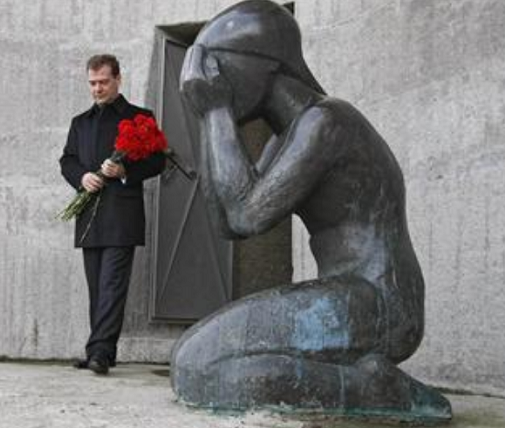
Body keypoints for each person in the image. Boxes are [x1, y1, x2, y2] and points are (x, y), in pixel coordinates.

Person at [172, 0, 451, 421]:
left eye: (216, 68)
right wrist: (212, 117)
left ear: (262, 65)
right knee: (199, 368)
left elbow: (248, 214)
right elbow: (229, 222)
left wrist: (215, 111)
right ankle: (366, 382)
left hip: (384, 304)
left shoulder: (327, 122)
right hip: (350, 297)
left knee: (195, 361)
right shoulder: (281, 141)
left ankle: (373, 389)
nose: (206, 81)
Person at [60, 54, 165, 375]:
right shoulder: (81, 122)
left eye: (103, 82)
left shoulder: (140, 118)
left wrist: (123, 170)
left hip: (122, 215)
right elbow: (67, 160)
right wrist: (82, 177)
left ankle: (101, 354)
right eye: (92, 83)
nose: (97, 88)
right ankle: (99, 350)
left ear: (118, 79)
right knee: (97, 287)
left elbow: (157, 163)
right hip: (89, 214)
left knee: (112, 286)